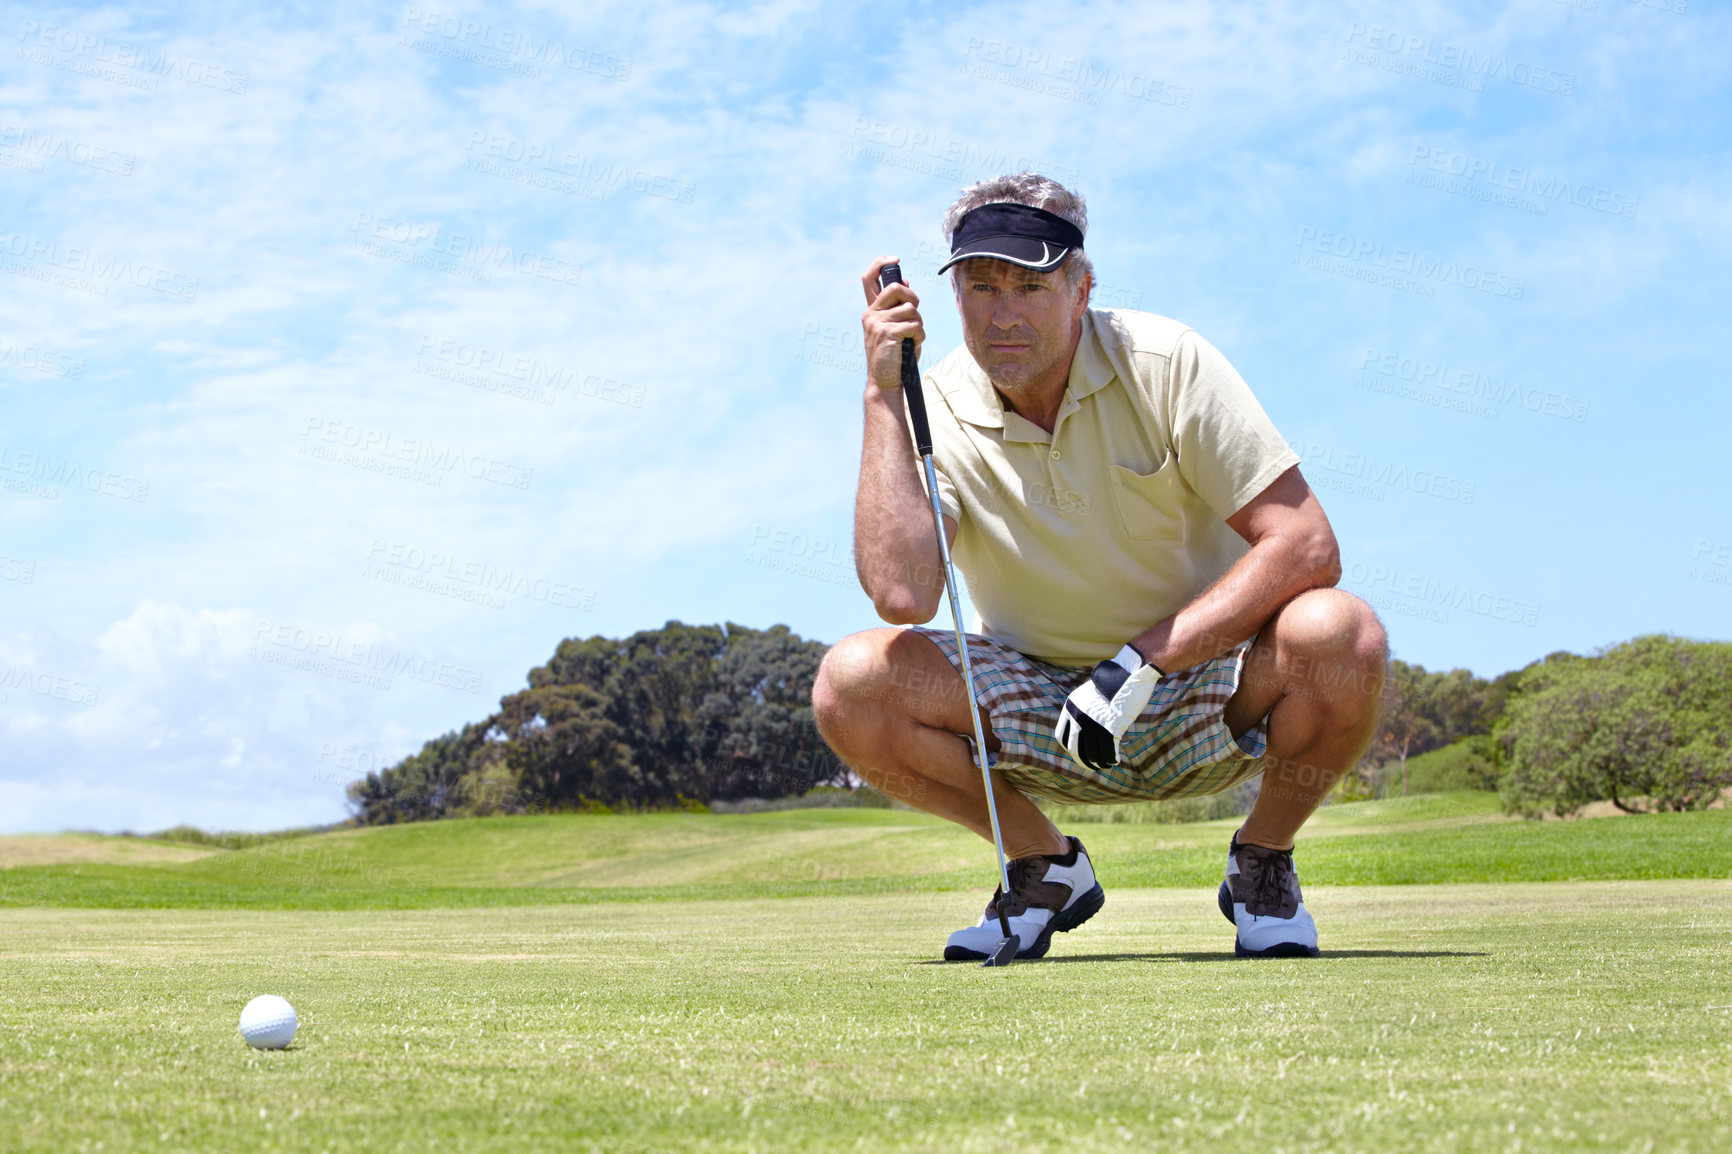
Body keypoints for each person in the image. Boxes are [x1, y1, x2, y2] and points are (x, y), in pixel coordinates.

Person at [811, 173, 1388, 960]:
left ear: (1082, 289)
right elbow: (901, 592)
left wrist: (1142, 662)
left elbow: (1307, 544)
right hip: (1036, 701)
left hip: (1203, 681)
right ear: (953, 300)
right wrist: (884, 394)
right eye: (981, 286)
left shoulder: (1166, 359)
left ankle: (1263, 859)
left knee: (1340, 632)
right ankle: (1042, 864)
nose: (1003, 313)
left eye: (1031, 285)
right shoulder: (933, 402)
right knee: (851, 683)